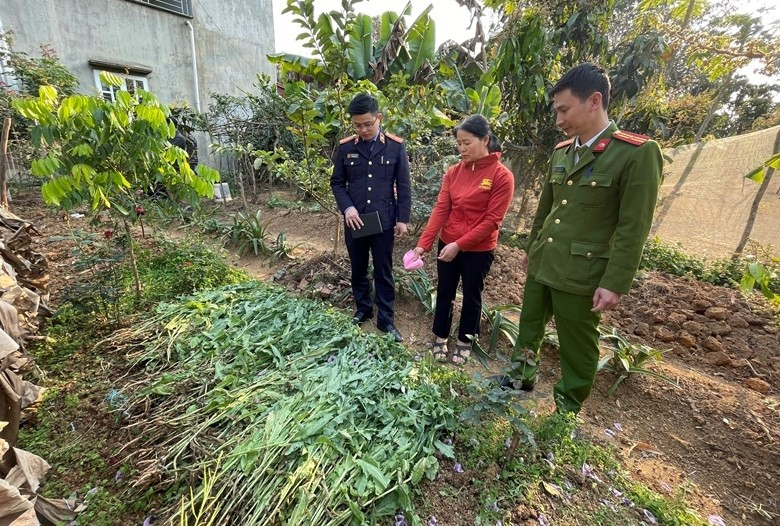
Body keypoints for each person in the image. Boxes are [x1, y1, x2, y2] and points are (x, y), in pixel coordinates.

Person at [505, 63, 663, 414]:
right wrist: (533, 248)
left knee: (576, 342)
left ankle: (567, 405)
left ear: (594, 101)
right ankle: (519, 377)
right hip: (545, 260)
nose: (558, 120)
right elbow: (546, 208)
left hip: (582, 271)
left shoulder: (635, 153)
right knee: (529, 324)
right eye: (557, 111)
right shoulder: (562, 151)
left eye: (564, 110)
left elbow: (632, 227)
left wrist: (615, 282)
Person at [410, 115, 514, 364]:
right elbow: (441, 209)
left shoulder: (502, 177)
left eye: (467, 142)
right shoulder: (453, 173)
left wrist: (460, 245)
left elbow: (492, 221)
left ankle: (465, 340)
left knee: (472, 294)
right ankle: (440, 336)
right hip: (448, 242)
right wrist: (423, 244)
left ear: (485, 139)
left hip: (479, 248)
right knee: (445, 291)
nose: (462, 148)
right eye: (459, 143)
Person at [331, 93, 411, 342]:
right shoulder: (346, 147)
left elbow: (404, 185)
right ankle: (363, 310)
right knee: (358, 269)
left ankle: (386, 320)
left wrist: (402, 219)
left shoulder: (395, 146)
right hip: (355, 220)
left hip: (383, 221)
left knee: (383, 270)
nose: (364, 129)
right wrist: (348, 209)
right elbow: (337, 182)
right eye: (358, 125)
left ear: (379, 118)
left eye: (368, 124)